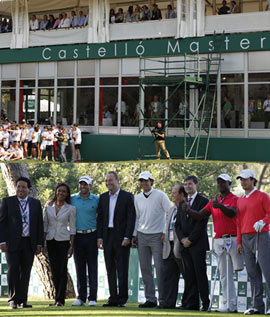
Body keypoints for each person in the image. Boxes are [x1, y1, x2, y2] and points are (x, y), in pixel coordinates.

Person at [184, 174, 243, 313]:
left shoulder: (235, 199)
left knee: (239, 271)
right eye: (218, 182)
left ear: (229, 183)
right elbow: (200, 215)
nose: (220, 185)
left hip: (233, 239)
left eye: (223, 182)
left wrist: (221, 206)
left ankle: (251, 304)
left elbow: (232, 213)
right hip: (219, 240)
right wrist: (188, 211)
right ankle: (229, 304)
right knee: (224, 273)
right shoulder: (214, 201)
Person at [0, 177, 43, 309]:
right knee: (13, 270)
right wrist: (1, 241)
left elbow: (39, 225)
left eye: (23, 187)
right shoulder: (7, 201)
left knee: (25, 271)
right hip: (12, 242)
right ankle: (13, 300)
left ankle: (23, 300)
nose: (20, 189)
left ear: (29, 189)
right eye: (18, 186)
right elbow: (1, 223)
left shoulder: (36, 203)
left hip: (29, 242)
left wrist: (39, 243)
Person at [97, 171, 136, 307]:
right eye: (106, 181)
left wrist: (127, 236)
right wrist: (100, 237)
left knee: (122, 268)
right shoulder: (102, 198)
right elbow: (100, 219)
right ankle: (112, 298)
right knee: (110, 268)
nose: (108, 183)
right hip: (107, 236)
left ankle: (122, 299)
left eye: (111, 180)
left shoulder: (127, 196)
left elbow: (131, 218)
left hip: (121, 237)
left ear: (117, 180)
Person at [133, 171, 171, 308]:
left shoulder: (161, 195)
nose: (144, 183)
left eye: (146, 181)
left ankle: (163, 300)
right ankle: (150, 299)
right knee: (145, 268)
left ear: (151, 182)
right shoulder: (137, 198)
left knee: (160, 268)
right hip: (142, 235)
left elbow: (170, 211)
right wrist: (134, 235)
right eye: (141, 181)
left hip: (157, 236)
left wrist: (165, 232)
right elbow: (137, 217)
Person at [236, 169, 270, 315]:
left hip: (260, 236)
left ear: (253, 180)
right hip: (245, 238)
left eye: (245, 179)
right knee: (252, 273)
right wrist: (239, 241)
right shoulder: (240, 199)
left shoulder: (263, 196)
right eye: (241, 180)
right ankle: (257, 306)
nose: (243, 182)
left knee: (267, 271)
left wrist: (263, 221)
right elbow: (238, 222)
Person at [175, 175, 209, 311]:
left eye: (190, 184)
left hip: (197, 244)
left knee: (200, 274)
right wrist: (183, 239)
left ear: (196, 185)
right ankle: (191, 303)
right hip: (184, 246)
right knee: (189, 276)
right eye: (186, 184)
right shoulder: (182, 203)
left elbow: (201, 223)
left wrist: (190, 239)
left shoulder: (203, 201)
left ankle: (206, 303)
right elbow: (177, 225)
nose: (188, 186)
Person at [44, 183, 76, 307]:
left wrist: (71, 246)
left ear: (67, 194)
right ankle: (56, 298)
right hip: (50, 241)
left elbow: (73, 229)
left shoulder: (71, 208)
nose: (61, 193)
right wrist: (43, 243)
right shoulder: (48, 207)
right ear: (55, 192)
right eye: (59, 191)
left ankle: (60, 300)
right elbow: (45, 226)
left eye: (63, 191)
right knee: (54, 271)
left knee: (62, 271)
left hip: (63, 241)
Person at [71, 176, 99, 307]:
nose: (83, 187)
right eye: (81, 184)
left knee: (93, 268)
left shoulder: (97, 199)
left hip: (92, 235)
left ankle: (92, 298)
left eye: (85, 185)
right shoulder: (72, 199)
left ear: (90, 186)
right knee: (79, 268)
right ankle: (81, 297)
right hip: (77, 236)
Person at [162, 184, 185, 309]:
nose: (172, 195)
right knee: (169, 276)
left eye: (175, 193)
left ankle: (188, 302)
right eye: (172, 192)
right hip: (169, 246)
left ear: (182, 195)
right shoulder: (171, 209)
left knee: (187, 275)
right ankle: (168, 302)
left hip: (180, 247)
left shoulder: (185, 208)